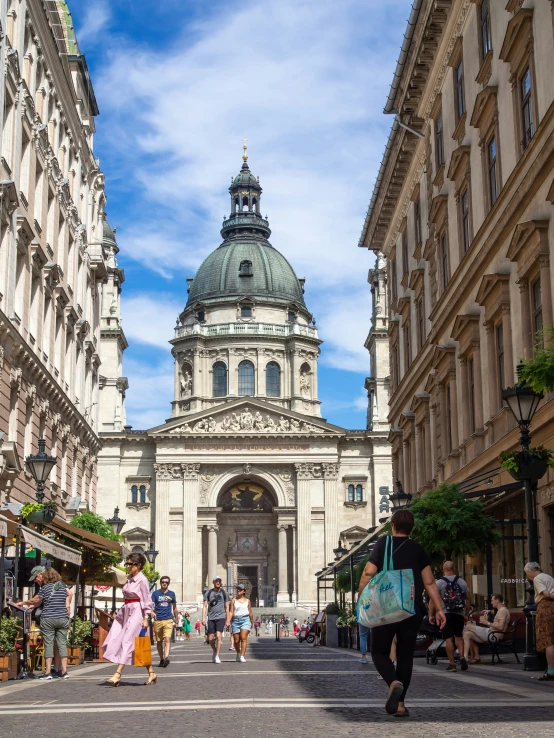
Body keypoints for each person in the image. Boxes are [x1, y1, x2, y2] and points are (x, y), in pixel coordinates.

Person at [358, 509, 446, 717]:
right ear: (411, 528)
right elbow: (429, 581)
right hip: (411, 609)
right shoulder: (418, 549)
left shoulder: (383, 543)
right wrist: (440, 609)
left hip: (386, 608)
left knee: (379, 651)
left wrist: (362, 596)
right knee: (406, 656)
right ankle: (400, 705)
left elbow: (368, 572)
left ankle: (393, 682)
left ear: (393, 526)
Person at [102, 552, 156, 686]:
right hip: (126, 611)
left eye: (130, 564)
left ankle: (117, 674)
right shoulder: (129, 578)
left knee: (127, 641)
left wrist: (146, 617)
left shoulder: (142, 580)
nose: (128, 566)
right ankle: (152, 673)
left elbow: (146, 600)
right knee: (120, 638)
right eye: (128, 563)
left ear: (138, 565)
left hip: (137, 612)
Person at [14, 567, 71, 680]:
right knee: (62, 644)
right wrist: (67, 606)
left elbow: (36, 600)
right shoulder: (62, 585)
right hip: (63, 618)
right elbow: (69, 594)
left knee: (49, 644)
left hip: (49, 618)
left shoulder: (45, 588)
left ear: (44, 576)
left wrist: (23, 602)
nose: (36, 580)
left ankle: (48, 672)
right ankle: (64, 672)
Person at [430, 561, 470, 672]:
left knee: (448, 638)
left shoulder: (439, 583)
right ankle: (462, 656)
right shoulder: (462, 582)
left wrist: (431, 614)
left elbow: (433, 600)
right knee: (459, 636)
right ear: (454, 569)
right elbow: (468, 599)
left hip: (445, 614)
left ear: (444, 569)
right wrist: (466, 614)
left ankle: (452, 664)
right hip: (459, 613)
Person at [524, 563, 554, 681]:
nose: (528, 576)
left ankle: (551, 670)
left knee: (547, 640)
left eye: (527, 574)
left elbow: (546, 593)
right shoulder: (548, 577)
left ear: (530, 571)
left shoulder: (537, 578)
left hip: (546, 608)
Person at [462, 593, 510, 665]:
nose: (491, 602)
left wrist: (487, 623)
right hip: (490, 633)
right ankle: (465, 658)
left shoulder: (502, 611)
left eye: (492, 600)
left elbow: (500, 627)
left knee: (468, 626)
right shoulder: (501, 610)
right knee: (467, 634)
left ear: (497, 601)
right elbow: (496, 614)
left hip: (493, 635)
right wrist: (489, 611)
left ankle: (459, 650)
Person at [202, 576, 230, 664]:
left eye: (219, 581)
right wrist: (203, 617)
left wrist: (228, 619)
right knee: (210, 638)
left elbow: (227, 607)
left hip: (221, 617)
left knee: (218, 636)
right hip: (211, 617)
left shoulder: (225, 593)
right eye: (216, 581)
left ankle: (217, 655)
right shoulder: (208, 593)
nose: (218, 582)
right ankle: (214, 650)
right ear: (213, 582)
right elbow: (205, 606)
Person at [151, 576, 178, 667]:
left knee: (167, 639)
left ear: (168, 583)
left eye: (166, 582)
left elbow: (174, 608)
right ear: (160, 583)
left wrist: (176, 619)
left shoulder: (172, 594)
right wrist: (151, 612)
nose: (164, 583)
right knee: (159, 641)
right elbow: (150, 605)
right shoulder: (155, 593)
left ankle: (166, 658)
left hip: (168, 619)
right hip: (158, 620)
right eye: (163, 582)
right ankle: (161, 659)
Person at [229, 583, 254, 662]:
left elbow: (250, 612)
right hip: (236, 620)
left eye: (240, 589)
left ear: (244, 591)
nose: (238, 590)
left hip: (245, 619)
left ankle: (242, 656)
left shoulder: (248, 601)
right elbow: (231, 612)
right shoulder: (233, 600)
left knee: (243, 638)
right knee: (236, 641)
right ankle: (238, 653)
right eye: (238, 589)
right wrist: (228, 621)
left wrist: (252, 621)